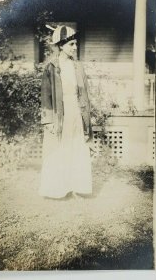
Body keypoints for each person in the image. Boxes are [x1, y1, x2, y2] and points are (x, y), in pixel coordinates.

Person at [39, 25, 93, 199]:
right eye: (72, 44)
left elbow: (84, 94)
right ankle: (57, 190)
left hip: (77, 111)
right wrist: (48, 121)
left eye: (76, 44)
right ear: (61, 45)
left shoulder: (78, 67)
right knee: (59, 149)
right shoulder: (51, 68)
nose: (75, 47)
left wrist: (86, 118)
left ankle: (77, 188)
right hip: (59, 114)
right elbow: (46, 97)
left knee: (77, 148)